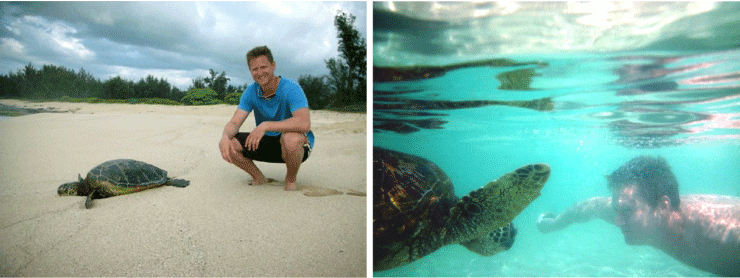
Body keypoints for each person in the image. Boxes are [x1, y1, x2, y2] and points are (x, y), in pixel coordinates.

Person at [536, 156, 740, 276]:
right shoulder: (626, 209)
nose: (618, 222)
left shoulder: (723, 235)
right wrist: (551, 224)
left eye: (626, 211)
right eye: (617, 209)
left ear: (662, 207)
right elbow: (586, 208)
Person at [218, 45, 314, 191]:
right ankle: (259, 178)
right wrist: (225, 136)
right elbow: (235, 122)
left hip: (296, 145)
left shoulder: (291, 88)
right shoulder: (251, 92)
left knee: (291, 138)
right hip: (267, 140)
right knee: (229, 143)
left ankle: (290, 180)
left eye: (263, 67)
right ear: (250, 71)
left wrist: (265, 126)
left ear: (273, 66)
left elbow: (304, 123)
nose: (259, 73)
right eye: (254, 69)